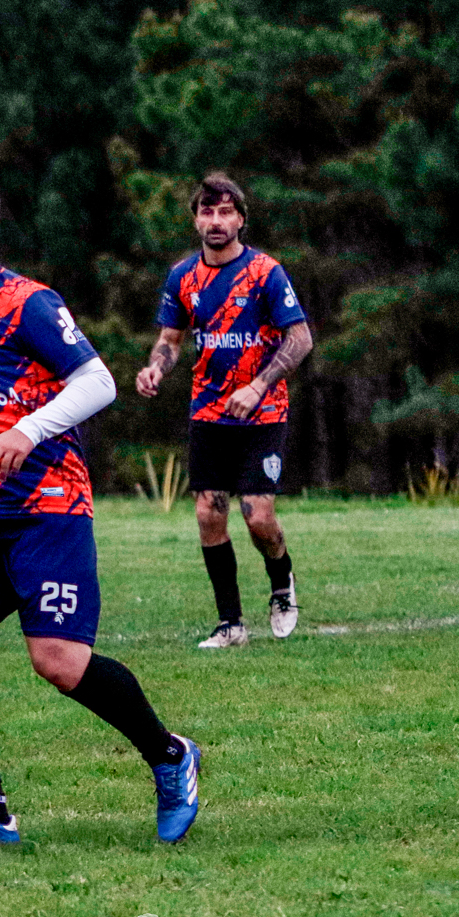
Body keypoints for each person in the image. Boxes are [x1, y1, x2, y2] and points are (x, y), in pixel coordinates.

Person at [0, 167, 201, 849]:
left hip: (48, 508)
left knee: (58, 661)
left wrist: (30, 431)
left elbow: (98, 382)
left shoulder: (27, 303)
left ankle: (171, 755)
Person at [135, 172, 314, 648]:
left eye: (225, 212)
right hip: (209, 411)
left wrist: (257, 386)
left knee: (258, 517)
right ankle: (230, 624)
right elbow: (171, 339)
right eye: (207, 211)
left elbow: (300, 339)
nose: (216, 220)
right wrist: (155, 368)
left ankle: (282, 581)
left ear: (240, 220)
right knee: (209, 514)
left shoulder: (265, 273)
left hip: (262, 412)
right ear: (196, 220)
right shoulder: (183, 277)